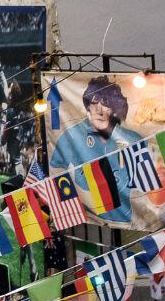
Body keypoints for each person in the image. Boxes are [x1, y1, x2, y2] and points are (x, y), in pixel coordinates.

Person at [49, 76, 142, 222]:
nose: (99, 109)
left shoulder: (133, 139)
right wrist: (75, 200)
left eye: (106, 104)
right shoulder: (71, 136)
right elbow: (54, 170)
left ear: (114, 109)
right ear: (88, 107)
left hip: (127, 222)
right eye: (94, 102)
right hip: (87, 220)